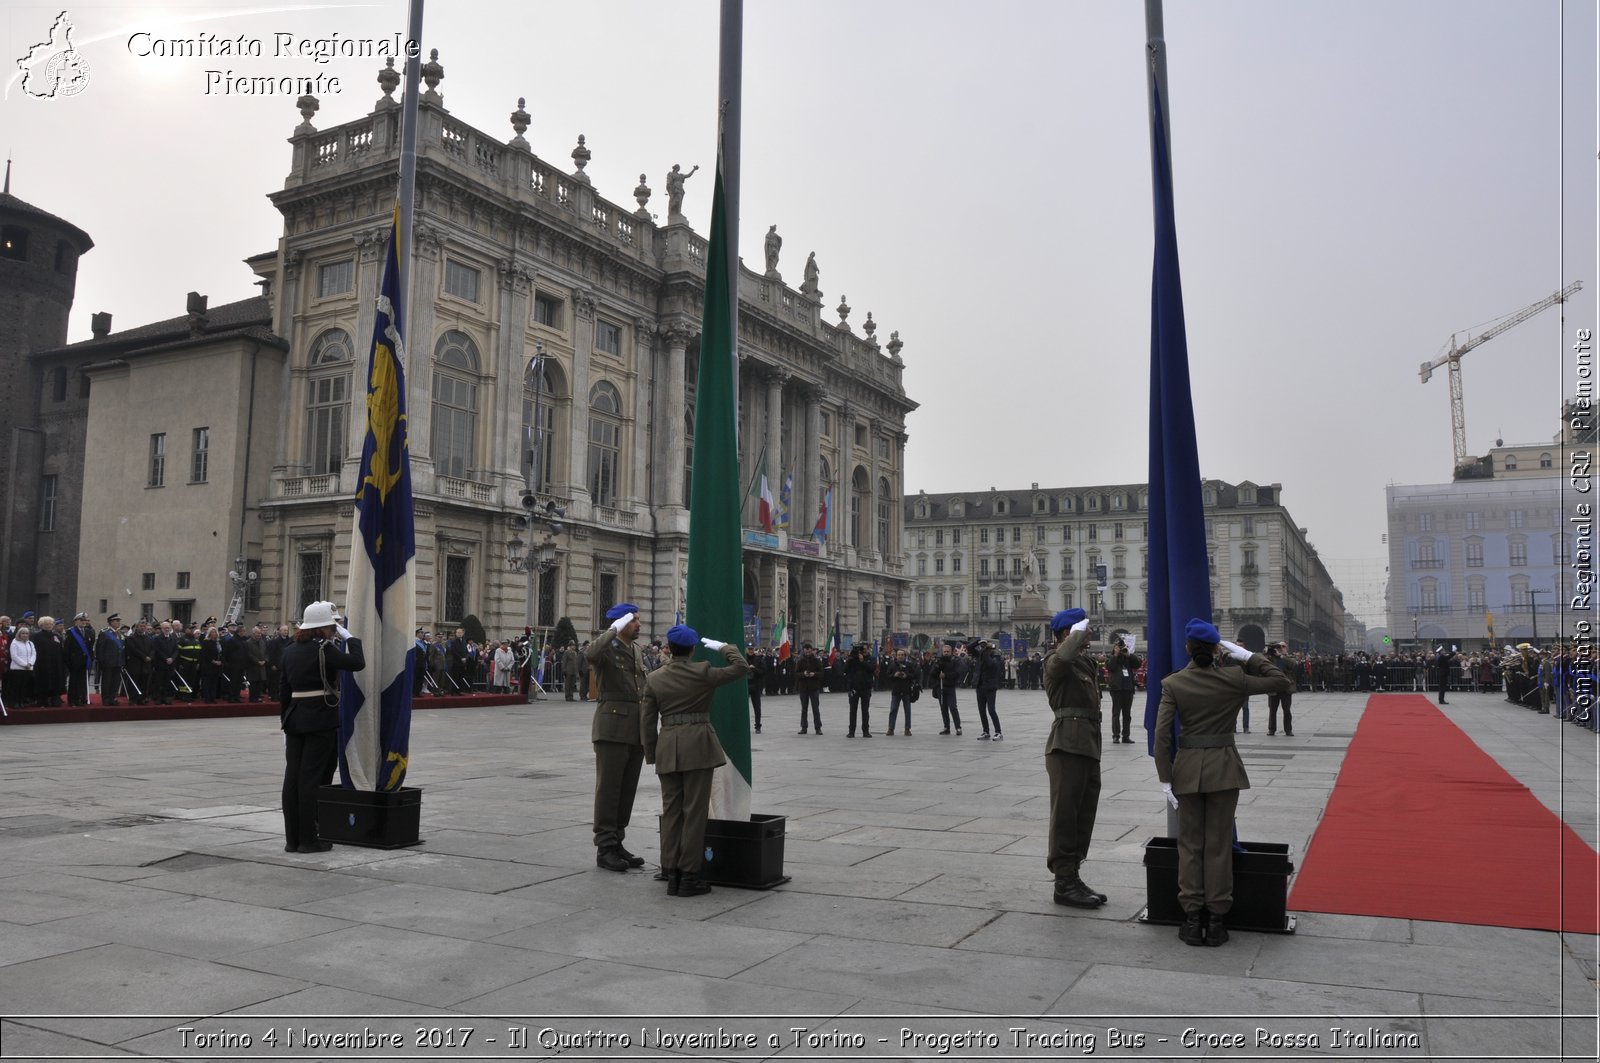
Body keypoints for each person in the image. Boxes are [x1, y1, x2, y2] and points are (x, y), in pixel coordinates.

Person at [1154, 618, 1294, 946]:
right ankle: (1216, 920)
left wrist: (1165, 778)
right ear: (1218, 649)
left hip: (1187, 770)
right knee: (1218, 845)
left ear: (1188, 648)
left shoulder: (1174, 683)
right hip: (1224, 769)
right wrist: (1249, 657)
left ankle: (1192, 918)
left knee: (1190, 845)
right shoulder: (1233, 679)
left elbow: (1162, 736)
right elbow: (1281, 681)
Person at [641, 624, 749, 896]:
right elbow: (740, 668)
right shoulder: (702, 673)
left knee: (672, 811)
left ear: (669, 647)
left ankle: (671, 872)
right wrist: (726, 648)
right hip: (698, 747)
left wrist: (652, 752)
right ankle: (689, 876)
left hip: (668, 747)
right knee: (694, 813)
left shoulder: (654, 678)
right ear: (691, 649)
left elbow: (646, 721)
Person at [278, 600, 364, 854]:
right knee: (311, 780)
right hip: (320, 718)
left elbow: (284, 689)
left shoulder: (290, 650)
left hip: (294, 718)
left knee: (292, 779)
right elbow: (357, 663)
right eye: (333, 626)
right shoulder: (324, 650)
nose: (334, 631)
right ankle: (308, 839)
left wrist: (285, 719)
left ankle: (292, 840)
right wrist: (351, 639)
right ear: (324, 628)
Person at [1042, 609, 1105, 908]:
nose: (1090, 633)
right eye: (1083, 628)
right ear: (1067, 634)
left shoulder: (1084, 662)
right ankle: (1063, 882)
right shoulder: (1056, 660)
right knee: (1066, 816)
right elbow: (1061, 659)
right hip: (1067, 746)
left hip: (1088, 745)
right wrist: (1075, 634)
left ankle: (1073, 873)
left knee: (1083, 814)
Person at [587, 602, 649, 872]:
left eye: (637, 619)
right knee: (609, 790)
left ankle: (617, 841)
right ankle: (605, 847)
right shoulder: (607, 647)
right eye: (634, 620)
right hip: (611, 728)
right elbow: (590, 654)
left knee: (626, 790)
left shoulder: (635, 649)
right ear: (621, 623)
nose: (639, 624)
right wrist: (612, 629)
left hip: (635, 729)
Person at [1106, 639, 1141, 744]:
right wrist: (1116, 655)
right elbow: (1110, 666)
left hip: (1128, 689)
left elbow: (1137, 664)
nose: (1121, 649)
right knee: (1116, 713)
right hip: (1116, 689)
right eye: (1119, 647)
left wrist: (1129, 655)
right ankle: (1115, 736)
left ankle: (1126, 736)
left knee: (1127, 714)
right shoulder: (1111, 658)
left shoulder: (1128, 658)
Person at [843, 643, 876, 737]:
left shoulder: (871, 658)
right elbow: (845, 670)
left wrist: (862, 661)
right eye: (861, 649)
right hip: (854, 688)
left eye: (865, 649)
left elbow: (871, 669)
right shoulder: (853, 659)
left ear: (868, 649)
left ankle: (865, 731)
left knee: (865, 710)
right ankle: (851, 731)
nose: (863, 651)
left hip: (866, 687)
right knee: (852, 710)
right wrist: (850, 659)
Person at [973, 640, 1004, 740]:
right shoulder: (980, 656)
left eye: (988, 649)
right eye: (986, 648)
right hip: (980, 686)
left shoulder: (996, 657)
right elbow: (969, 647)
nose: (987, 650)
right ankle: (986, 731)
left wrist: (984, 652)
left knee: (991, 710)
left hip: (990, 687)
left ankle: (998, 732)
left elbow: (991, 665)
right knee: (981, 711)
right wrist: (978, 641)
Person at [64, 613, 95, 707]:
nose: (83, 622)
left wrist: (91, 658)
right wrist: (68, 662)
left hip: (84, 661)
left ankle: (80, 699)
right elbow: (67, 648)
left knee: (82, 682)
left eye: (85, 620)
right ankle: (72, 700)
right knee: (73, 682)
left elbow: (90, 647)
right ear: (76, 621)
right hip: (74, 661)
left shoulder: (88, 632)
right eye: (81, 620)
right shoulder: (70, 632)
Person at [885, 647, 918, 736]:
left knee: (907, 711)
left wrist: (906, 675)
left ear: (905, 656)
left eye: (902, 655)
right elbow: (887, 676)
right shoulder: (892, 665)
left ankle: (907, 729)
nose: (900, 657)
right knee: (893, 710)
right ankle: (891, 728)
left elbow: (915, 675)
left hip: (906, 691)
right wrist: (894, 675)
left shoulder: (909, 665)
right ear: (896, 656)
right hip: (896, 691)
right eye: (899, 655)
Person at [1265, 642, 1295, 735]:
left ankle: (1288, 730)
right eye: (1278, 647)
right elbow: (1263, 665)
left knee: (1287, 710)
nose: (1280, 648)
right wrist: (1266, 653)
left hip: (1286, 688)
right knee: (1272, 710)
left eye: (1283, 646)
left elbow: (1293, 665)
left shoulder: (1287, 657)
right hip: (1274, 687)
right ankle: (1271, 729)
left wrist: (1282, 656)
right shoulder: (1269, 658)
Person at [95, 614, 125, 706]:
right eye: (116, 621)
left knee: (116, 681)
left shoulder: (119, 633)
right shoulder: (105, 633)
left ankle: (112, 697)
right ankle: (106, 699)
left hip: (118, 661)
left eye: (119, 621)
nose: (118, 622)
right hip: (108, 662)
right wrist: (101, 660)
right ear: (111, 622)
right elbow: (100, 648)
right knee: (107, 681)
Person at [795, 642, 824, 734]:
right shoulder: (800, 661)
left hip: (814, 688)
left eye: (809, 652)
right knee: (804, 709)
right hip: (803, 688)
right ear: (804, 651)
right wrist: (803, 674)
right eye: (806, 652)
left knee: (815, 708)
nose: (807, 654)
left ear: (812, 651)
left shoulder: (817, 661)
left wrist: (814, 674)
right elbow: (796, 674)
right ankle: (804, 727)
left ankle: (818, 728)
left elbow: (822, 673)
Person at [935, 644, 963, 735]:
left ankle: (958, 727)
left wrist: (946, 675)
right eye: (944, 652)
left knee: (953, 707)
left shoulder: (955, 661)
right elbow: (932, 673)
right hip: (941, 687)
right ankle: (946, 727)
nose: (946, 653)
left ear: (951, 652)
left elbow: (957, 673)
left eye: (948, 652)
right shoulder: (939, 661)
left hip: (950, 687)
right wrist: (937, 671)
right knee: (943, 708)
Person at [7, 625, 37, 707]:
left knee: (24, 687)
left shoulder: (30, 643)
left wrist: (30, 663)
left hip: (28, 668)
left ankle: (21, 702)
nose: (25, 635)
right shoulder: (14, 643)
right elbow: (14, 656)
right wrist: (24, 664)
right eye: (23, 633)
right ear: (19, 634)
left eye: (26, 633)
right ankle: (15, 702)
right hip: (17, 668)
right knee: (16, 687)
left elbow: (33, 654)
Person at [746, 646, 767, 733]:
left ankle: (758, 726)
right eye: (749, 649)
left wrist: (754, 669)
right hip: (746, 684)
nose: (750, 651)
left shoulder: (758, 659)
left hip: (756, 685)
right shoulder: (743, 658)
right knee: (743, 707)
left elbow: (763, 671)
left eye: (752, 649)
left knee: (757, 707)